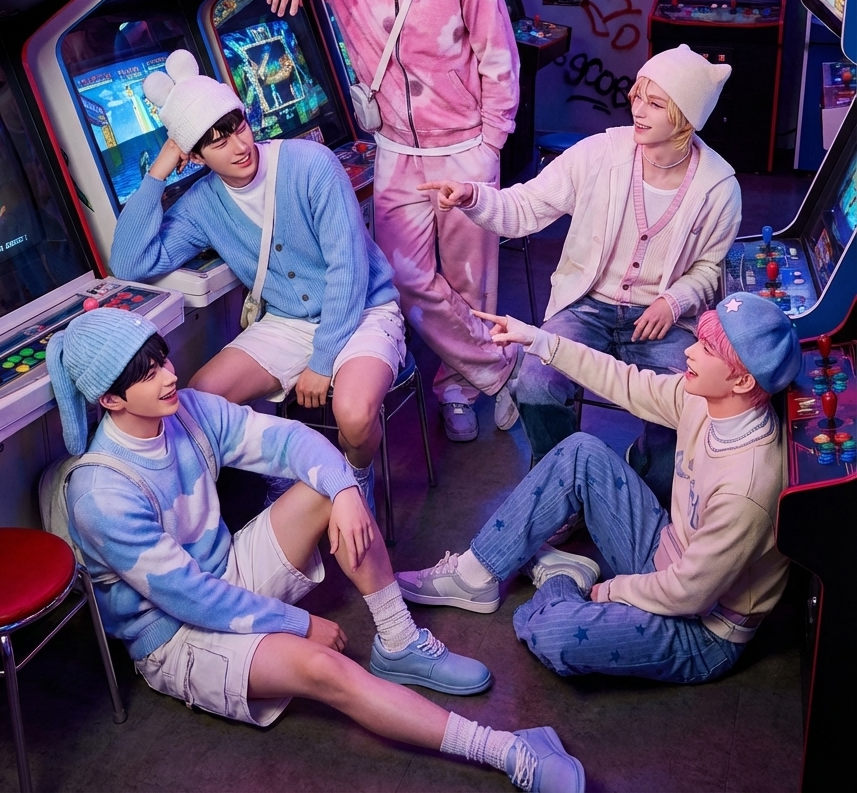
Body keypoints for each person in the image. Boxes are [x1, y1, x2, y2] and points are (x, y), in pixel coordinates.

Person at [50, 307, 584, 793]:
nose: (169, 376)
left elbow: (291, 441)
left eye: (163, 360)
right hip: (175, 634)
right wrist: (299, 624)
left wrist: (346, 490)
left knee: (327, 488)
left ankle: (398, 640)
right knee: (326, 671)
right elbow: (192, 600)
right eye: (148, 375)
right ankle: (506, 750)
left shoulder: (187, 411)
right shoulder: (102, 495)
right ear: (110, 400)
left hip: (224, 572)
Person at [256, 0, 522, 444]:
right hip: (397, 154)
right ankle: (499, 371)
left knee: (469, 282)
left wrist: (490, 143)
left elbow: (498, 58)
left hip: (465, 148)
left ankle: (457, 390)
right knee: (404, 279)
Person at [396, 292, 800, 685]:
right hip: (668, 553)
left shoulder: (746, 489)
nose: (690, 352)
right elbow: (625, 382)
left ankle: (564, 580)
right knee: (580, 451)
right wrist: (541, 341)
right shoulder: (704, 401)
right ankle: (475, 574)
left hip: (703, 628)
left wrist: (610, 590)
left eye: (707, 349)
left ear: (742, 380)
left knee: (552, 635)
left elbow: (688, 595)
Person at [420, 45, 741, 503]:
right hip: (586, 305)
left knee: (689, 401)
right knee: (535, 382)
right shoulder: (599, 154)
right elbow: (525, 206)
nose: (638, 110)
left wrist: (674, 301)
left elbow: (711, 267)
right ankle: (560, 487)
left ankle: (646, 485)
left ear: (686, 117)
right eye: (637, 96)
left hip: (660, 320)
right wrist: (473, 196)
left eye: (654, 103)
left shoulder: (718, 187)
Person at [109, 50, 401, 512]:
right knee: (198, 402)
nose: (239, 146)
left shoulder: (311, 163)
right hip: (288, 321)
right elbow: (129, 262)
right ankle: (284, 478)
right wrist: (160, 167)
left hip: (363, 309)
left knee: (353, 415)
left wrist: (323, 360)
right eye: (217, 142)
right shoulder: (203, 203)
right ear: (195, 155)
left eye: (238, 127)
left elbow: (349, 269)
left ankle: (354, 481)